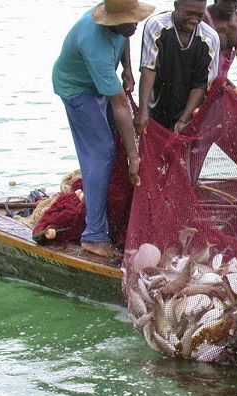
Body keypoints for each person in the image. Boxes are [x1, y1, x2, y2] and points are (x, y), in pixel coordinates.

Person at [52, 0, 153, 257]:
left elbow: (124, 38)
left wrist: (127, 69)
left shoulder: (121, 25)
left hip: (100, 80)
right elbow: (120, 105)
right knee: (102, 152)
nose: (134, 25)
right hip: (77, 88)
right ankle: (94, 235)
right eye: (128, 21)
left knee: (115, 143)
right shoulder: (94, 44)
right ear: (111, 22)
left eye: (135, 19)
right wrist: (133, 157)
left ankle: (104, 210)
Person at [134, 0, 220, 135]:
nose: (194, 20)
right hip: (157, 105)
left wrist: (183, 120)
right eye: (189, 13)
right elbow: (149, 68)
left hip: (189, 109)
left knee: (185, 153)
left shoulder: (210, 38)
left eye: (200, 15)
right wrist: (143, 110)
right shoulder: (157, 25)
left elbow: (201, 84)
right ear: (176, 6)